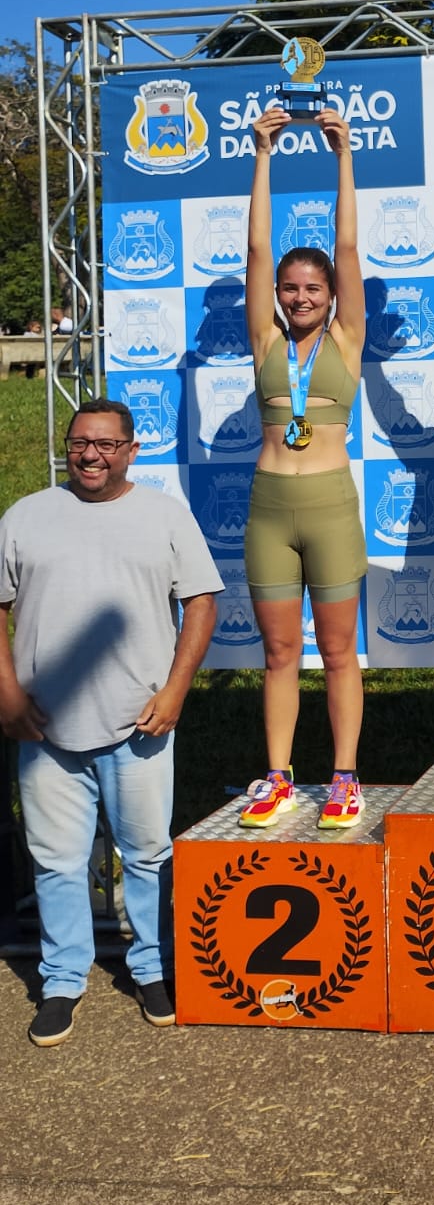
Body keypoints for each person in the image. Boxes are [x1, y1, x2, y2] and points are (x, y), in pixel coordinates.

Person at [0, 399, 221, 1046]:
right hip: (44, 729)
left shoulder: (164, 516)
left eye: (105, 444)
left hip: (140, 724)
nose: (90, 455)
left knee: (148, 855)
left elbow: (202, 603)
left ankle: (153, 969)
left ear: (130, 450)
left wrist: (176, 691)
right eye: (79, 443)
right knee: (55, 862)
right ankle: (62, 980)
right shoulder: (25, 516)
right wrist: (7, 695)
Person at [238, 106, 368, 831]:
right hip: (269, 510)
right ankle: (279, 776)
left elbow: (346, 245)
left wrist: (343, 154)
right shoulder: (266, 338)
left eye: (313, 288)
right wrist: (263, 153)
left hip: (329, 508)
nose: (300, 296)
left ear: (331, 294)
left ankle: (345, 778)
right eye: (291, 289)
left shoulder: (347, 338)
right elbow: (257, 250)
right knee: (280, 651)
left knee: (340, 652)